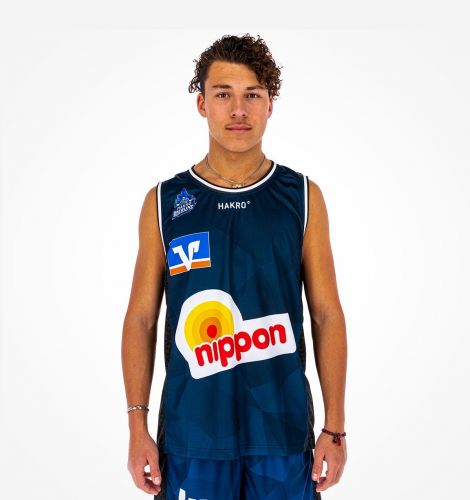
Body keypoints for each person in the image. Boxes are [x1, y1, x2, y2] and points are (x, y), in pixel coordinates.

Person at [122, 33, 347, 500]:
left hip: (282, 434)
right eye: (224, 94)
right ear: (202, 104)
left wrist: (336, 427)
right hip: (192, 437)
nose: (239, 110)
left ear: (270, 105)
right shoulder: (164, 201)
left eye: (253, 95)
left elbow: (327, 314)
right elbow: (142, 318)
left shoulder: (302, 197)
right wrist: (136, 427)